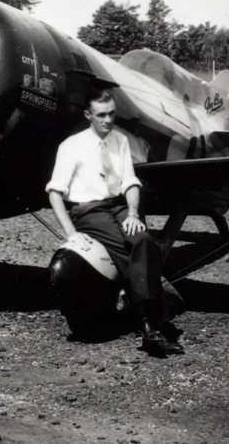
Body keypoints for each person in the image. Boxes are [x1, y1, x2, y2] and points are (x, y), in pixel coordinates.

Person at [46, 88, 183, 355]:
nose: (107, 120)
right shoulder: (71, 146)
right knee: (124, 246)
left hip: (119, 206)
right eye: (101, 115)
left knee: (143, 239)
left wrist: (132, 213)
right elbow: (54, 193)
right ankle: (149, 325)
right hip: (88, 210)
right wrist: (71, 233)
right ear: (88, 115)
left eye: (111, 114)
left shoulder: (120, 141)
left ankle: (143, 316)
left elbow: (131, 182)